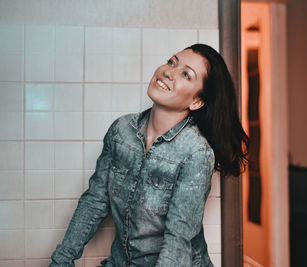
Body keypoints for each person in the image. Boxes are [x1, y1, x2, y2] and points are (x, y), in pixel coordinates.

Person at [49, 43, 249, 267]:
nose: (168, 72)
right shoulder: (121, 130)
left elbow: (178, 239)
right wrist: (61, 261)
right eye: (172, 62)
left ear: (196, 101)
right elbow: (94, 202)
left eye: (185, 74)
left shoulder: (196, 153)